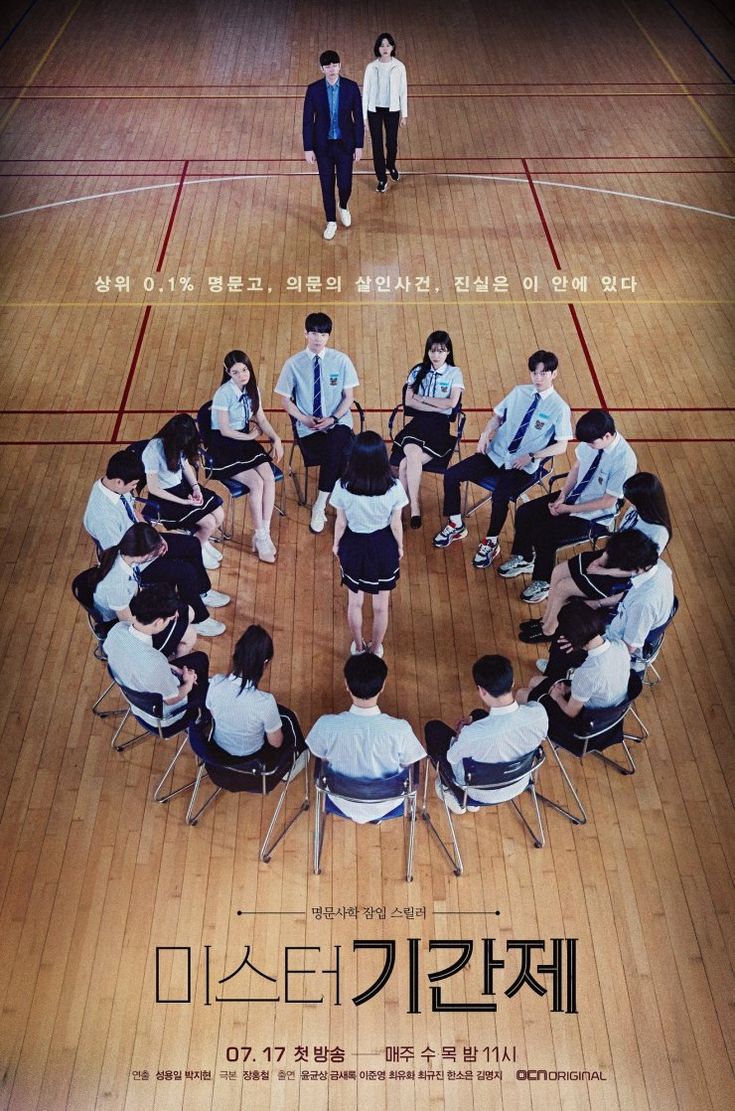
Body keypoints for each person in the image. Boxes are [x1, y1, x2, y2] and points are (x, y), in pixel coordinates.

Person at [433, 350, 572, 562]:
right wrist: (485, 434)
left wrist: (532, 456)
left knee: (500, 497)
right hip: (495, 454)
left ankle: (491, 541)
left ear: (554, 374)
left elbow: (561, 445)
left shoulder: (560, 408)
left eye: (543, 373)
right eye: (534, 373)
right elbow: (497, 418)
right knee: (451, 475)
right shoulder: (519, 392)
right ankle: (456, 524)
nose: (537, 378)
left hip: (522, 465)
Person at [498, 409, 637, 603]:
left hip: (594, 515)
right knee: (525, 512)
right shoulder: (593, 440)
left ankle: (542, 581)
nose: (588, 446)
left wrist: (569, 509)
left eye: (591, 443)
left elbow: (608, 502)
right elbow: (576, 468)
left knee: (545, 535)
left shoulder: (625, 460)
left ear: (607, 436)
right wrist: (562, 496)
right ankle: (525, 557)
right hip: (573, 498)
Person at [83, 451, 229, 628]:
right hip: (133, 559)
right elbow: (119, 554)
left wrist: (156, 537)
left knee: (191, 544)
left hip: (142, 539)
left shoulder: (112, 486)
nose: (134, 489)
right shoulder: (103, 518)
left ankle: (202, 591)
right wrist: (152, 550)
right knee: (184, 571)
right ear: (119, 482)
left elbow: (134, 512)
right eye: (134, 485)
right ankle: (198, 619)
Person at [305, 652, 425, 823]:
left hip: (339, 798)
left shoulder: (326, 725)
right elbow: (408, 763)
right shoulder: (400, 729)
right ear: (383, 686)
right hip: (388, 802)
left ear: (346, 684)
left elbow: (321, 756)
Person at [535, 535, 674, 680]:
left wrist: (587, 643)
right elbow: (628, 594)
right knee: (571, 615)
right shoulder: (658, 565)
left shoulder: (643, 604)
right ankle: (557, 668)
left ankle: (554, 679)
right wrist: (598, 603)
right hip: (620, 618)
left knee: (565, 639)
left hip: (614, 644)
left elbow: (628, 648)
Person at [424, 654, 548, 815]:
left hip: (476, 790)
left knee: (433, 728)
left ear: (482, 691)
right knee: (478, 714)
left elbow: (451, 758)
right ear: (512, 682)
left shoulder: (473, 734)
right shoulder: (538, 713)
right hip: (519, 781)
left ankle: (451, 792)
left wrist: (461, 736)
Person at [275, 311, 359, 533]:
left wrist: (333, 418)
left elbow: (348, 397)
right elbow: (285, 400)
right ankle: (345, 501)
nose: (317, 338)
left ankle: (320, 504)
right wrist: (304, 419)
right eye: (313, 333)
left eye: (322, 334)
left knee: (337, 441)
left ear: (328, 336)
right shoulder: (293, 364)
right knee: (340, 454)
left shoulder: (341, 361)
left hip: (337, 423)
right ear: (305, 333)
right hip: (309, 429)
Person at [517, 604, 632, 755]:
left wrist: (558, 696)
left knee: (521, 694)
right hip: (610, 712)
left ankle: (523, 736)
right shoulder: (620, 646)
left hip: (584, 724)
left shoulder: (586, 674)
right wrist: (571, 689)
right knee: (535, 682)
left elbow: (571, 712)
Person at [330, 431, 407, 657]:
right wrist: (399, 547)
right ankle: (375, 649)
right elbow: (396, 525)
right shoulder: (393, 488)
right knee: (381, 607)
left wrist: (336, 545)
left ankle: (359, 646)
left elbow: (341, 523)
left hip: (354, 544)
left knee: (354, 603)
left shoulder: (343, 486)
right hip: (383, 546)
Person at [208, 350, 284, 563]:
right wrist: (250, 436)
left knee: (268, 477)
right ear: (227, 372)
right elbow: (223, 430)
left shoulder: (253, 390)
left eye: (244, 369)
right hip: (225, 445)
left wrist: (276, 438)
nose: (242, 375)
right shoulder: (223, 394)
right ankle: (259, 534)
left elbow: (261, 419)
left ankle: (264, 533)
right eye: (235, 372)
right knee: (257, 484)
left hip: (244, 439)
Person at [518, 528, 657, 643]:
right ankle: (545, 620)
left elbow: (631, 573)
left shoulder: (645, 563)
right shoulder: (633, 537)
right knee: (558, 571)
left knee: (563, 588)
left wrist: (601, 570)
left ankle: (549, 630)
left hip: (614, 581)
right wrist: (600, 560)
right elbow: (614, 545)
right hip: (613, 560)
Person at [103, 584, 209, 729]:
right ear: (158, 622)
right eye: (170, 619)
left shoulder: (116, 631)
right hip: (162, 716)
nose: (172, 621)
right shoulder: (156, 662)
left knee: (199, 659)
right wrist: (188, 682)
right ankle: (202, 718)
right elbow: (172, 699)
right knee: (202, 666)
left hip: (134, 691)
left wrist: (172, 668)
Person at [205, 625, 306, 773]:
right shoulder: (265, 702)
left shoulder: (216, 682)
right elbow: (276, 743)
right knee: (291, 719)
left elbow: (214, 714)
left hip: (218, 758)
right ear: (265, 663)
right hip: (251, 763)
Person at [390, 330, 464, 529]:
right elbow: (408, 403)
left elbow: (452, 403)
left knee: (406, 464)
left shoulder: (454, 373)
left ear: (448, 352)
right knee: (412, 453)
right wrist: (436, 405)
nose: (436, 355)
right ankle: (414, 507)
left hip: (440, 427)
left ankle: (400, 509)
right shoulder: (417, 370)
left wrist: (421, 399)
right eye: (432, 350)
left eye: (441, 351)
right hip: (418, 424)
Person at [91, 523, 205, 650]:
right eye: (153, 555)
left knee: (189, 612)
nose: (154, 557)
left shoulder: (123, 554)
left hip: (133, 605)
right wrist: (163, 619)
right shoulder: (118, 585)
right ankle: (166, 659)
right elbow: (128, 624)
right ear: (142, 555)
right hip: (124, 624)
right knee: (190, 633)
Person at [141, 414, 225, 565]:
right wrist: (183, 501)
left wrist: (195, 487)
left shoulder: (179, 443)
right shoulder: (153, 450)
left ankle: (202, 541)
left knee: (219, 514)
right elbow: (153, 488)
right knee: (209, 523)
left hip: (182, 487)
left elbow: (185, 465)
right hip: (165, 497)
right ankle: (196, 550)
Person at [303, 49, 364, 240]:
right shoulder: (313, 90)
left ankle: (343, 205)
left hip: (345, 145)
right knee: (326, 185)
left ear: (340, 66)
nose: (332, 69)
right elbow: (307, 120)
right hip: (323, 146)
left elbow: (358, 119)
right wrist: (308, 148)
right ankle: (331, 221)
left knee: (345, 184)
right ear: (322, 69)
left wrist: (359, 145)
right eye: (327, 66)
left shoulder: (351, 87)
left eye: (335, 65)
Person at [362, 32, 408, 192]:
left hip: (392, 110)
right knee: (376, 145)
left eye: (388, 45)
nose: (385, 48)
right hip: (374, 110)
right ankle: (381, 178)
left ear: (393, 47)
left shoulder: (399, 66)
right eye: (382, 45)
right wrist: (364, 117)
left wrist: (404, 114)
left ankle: (391, 164)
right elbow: (366, 92)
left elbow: (403, 91)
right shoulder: (371, 67)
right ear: (378, 48)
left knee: (391, 143)